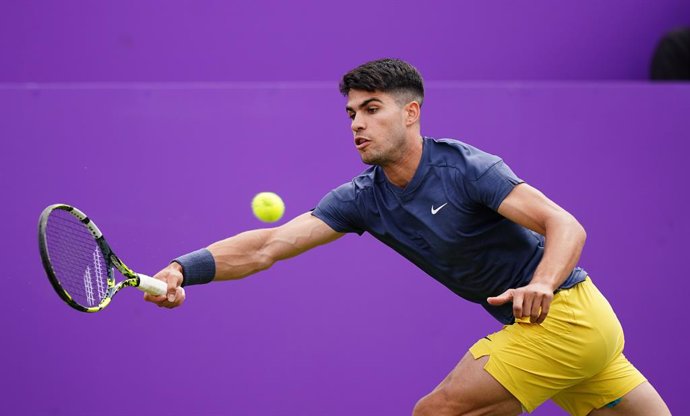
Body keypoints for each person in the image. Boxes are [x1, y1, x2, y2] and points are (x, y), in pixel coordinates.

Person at [145, 59, 671, 416]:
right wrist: (181, 268)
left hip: (568, 317)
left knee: (437, 410)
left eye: (372, 109)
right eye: (351, 113)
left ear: (411, 112)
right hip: (573, 335)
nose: (357, 123)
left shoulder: (466, 168)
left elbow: (565, 224)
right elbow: (267, 246)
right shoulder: (361, 198)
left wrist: (542, 282)